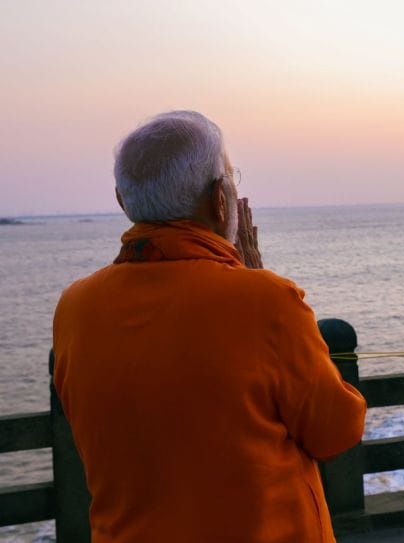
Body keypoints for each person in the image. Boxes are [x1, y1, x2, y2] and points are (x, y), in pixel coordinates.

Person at [52, 110, 366, 543]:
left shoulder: (75, 308)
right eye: (232, 178)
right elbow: (336, 431)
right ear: (221, 200)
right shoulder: (266, 302)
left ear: (123, 203)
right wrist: (253, 278)